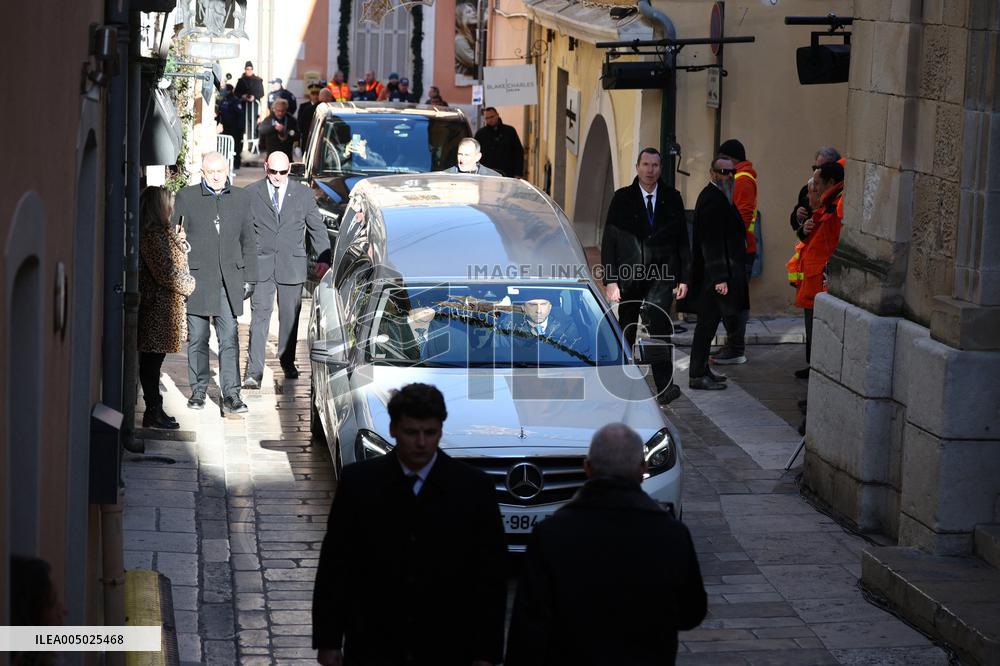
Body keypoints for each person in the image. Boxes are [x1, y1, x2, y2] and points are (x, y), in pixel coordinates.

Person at [312, 383, 507, 666]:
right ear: (393, 430)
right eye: (411, 432)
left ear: (440, 430)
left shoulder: (473, 488)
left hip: (447, 645)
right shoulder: (359, 484)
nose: (421, 443)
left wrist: (486, 653)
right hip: (375, 643)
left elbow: (490, 576)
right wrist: (329, 640)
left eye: (429, 433)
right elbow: (336, 565)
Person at [505, 423, 707, 666]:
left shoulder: (551, 534)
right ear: (641, 469)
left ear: (587, 468)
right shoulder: (671, 534)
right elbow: (691, 612)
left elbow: (529, 624)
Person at [601, 147, 690, 404]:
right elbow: (609, 242)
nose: (650, 170)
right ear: (637, 167)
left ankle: (665, 387)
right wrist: (611, 279)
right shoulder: (622, 198)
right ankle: (620, 380)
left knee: (660, 330)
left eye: (655, 165)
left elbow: (683, 240)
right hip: (629, 277)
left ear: (660, 169)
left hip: (661, 277)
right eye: (646, 165)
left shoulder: (672, 198)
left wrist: (684, 277)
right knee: (625, 330)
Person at [173, 152, 257, 414]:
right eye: (212, 172)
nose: (218, 176)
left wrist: (250, 278)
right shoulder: (187, 197)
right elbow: (171, 234)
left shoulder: (242, 198)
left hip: (229, 281)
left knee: (229, 336)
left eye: (221, 170)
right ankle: (198, 390)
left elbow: (249, 241)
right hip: (198, 279)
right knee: (198, 337)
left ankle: (231, 394)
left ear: (228, 170)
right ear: (203, 174)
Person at [244, 151, 331, 388]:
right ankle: (253, 372)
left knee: (289, 319)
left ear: (289, 169)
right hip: (262, 266)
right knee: (259, 318)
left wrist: (324, 257)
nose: (278, 177)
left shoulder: (303, 195)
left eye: (283, 172)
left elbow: (317, 228)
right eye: (273, 172)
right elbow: (243, 232)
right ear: (265, 168)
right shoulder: (251, 193)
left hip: (291, 265)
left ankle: (287, 360)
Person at [687, 156, 749, 390]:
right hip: (713, 278)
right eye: (724, 172)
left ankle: (703, 370)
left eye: (732, 172)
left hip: (717, 275)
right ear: (713, 173)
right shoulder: (712, 199)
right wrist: (720, 277)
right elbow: (711, 244)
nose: (729, 176)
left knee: (709, 325)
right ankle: (696, 375)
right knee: (706, 326)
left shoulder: (722, 196)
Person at [138, 186, 195, 430]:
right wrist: (190, 284)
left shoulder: (163, 233)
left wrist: (178, 241)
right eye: (167, 204)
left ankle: (156, 409)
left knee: (154, 362)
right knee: (151, 364)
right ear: (157, 208)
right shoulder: (151, 236)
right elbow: (165, 272)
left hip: (163, 308)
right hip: (155, 311)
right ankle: (153, 410)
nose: (171, 208)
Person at [789, 162, 845, 382]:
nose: (814, 190)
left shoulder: (837, 204)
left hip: (822, 282)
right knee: (815, 339)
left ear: (830, 183)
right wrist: (803, 227)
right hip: (814, 281)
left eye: (818, 185)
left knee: (821, 341)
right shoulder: (828, 204)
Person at [711, 138, 757, 366]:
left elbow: (742, 216)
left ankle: (736, 347)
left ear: (733, 159)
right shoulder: (739, 178)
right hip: (737, 249)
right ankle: (732, 343)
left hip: (739, 251)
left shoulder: (743, 180)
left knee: (734, 301)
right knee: (729, 300)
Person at [474, 107, 524, 177]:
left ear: (497, 115)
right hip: (486, 173)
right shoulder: (480, 134)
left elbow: (518, 152)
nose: (490, 120)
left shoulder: (509, 131)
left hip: (507, 173)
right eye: (487, 118)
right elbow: (475, 153)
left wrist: (518, 173)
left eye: (492, 117)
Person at [216, 84, 245, 169]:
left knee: (236, 147)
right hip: (225, 127)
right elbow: (220, 113)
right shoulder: (223, 101)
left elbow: (240, 115)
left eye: (226, 90)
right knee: (225, 146)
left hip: (235, 128)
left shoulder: (235, 101)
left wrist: (241, 129)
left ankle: (236, 164)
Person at [297, 84, 321, 151]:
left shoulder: (322, 106)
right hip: (307, 136)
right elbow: (299, 123)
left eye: (317, 94)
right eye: (313, 94)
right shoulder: (303, 106)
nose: (315, 96)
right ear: (309, 95)